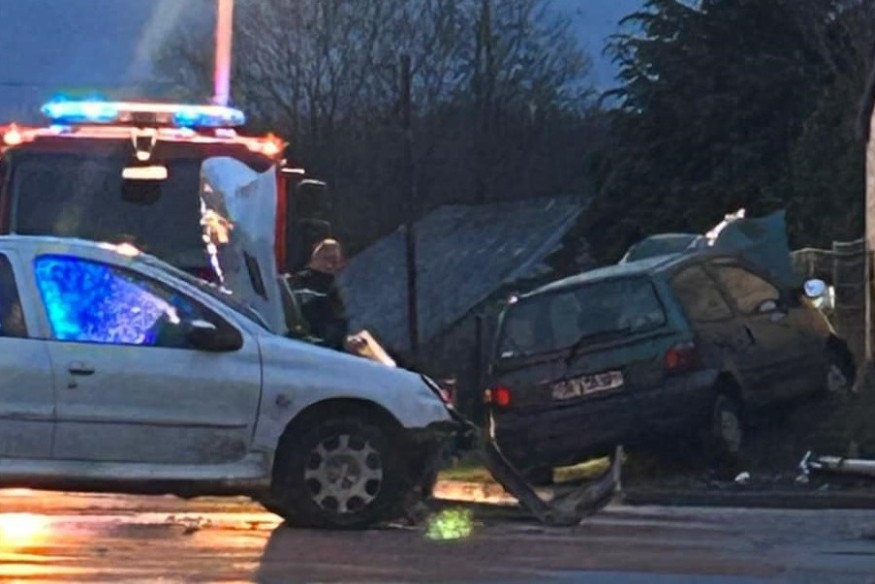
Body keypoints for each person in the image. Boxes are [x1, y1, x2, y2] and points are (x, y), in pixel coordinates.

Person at [290, 239, 352, 351]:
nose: (329, 264)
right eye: (326, 258)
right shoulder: (294, 286)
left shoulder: (344, 291)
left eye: (334, 260)